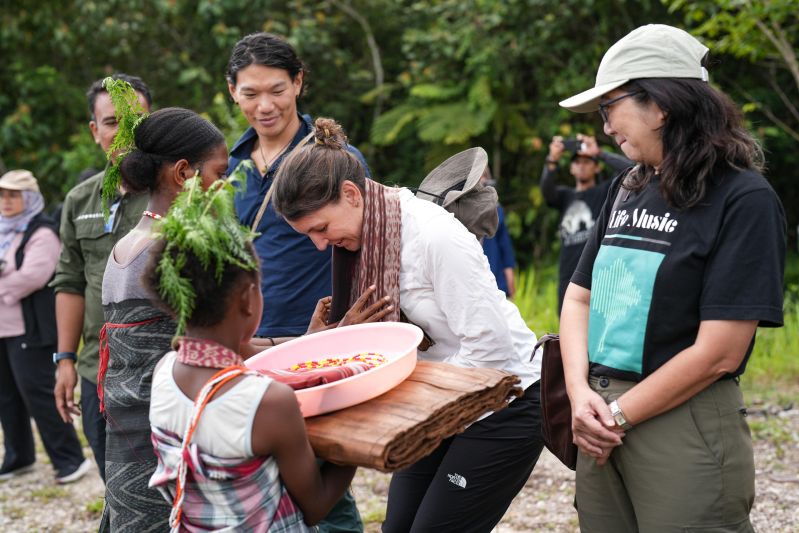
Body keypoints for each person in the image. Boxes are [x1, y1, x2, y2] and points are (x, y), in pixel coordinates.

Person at [558, 24, 785, 532]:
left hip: (681, 418)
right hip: (597, 411)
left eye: (608, 107)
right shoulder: (625, 186)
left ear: (659, 104)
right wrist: (579, 394)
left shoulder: (742, 199)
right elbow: (579, 298)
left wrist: (617, 415)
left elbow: (719, 352)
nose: (605, 128)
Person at [272, 118, 545, 532]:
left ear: (351, 194)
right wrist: (331, 339)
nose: (320, 245)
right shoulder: (363, 240)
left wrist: (412, 403)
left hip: (504, 399)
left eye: (322, 229)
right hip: (439, 400)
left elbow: (492, 346)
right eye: (308, 235)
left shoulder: (434, 237)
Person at [142, 173, 357, 532]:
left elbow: (236, 355)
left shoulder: (164, 372)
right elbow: (317, 505)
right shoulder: (267, 401)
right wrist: (352, 426)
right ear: (247, 299)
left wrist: (310, 341)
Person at [226, 32, 369, 531]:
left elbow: (365, 247)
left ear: (299, 84)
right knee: (264, 475)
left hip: (314, 344)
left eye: (277, 90)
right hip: (247, 348)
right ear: (232, 93)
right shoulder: (229, 167)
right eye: (250, 93)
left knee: (321, 481)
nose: (264, 106)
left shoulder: (333, 160)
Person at [98, 105, 229, 531]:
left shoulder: (123, 248)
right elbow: (224, 352)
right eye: (219, 174)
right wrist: (317, 338)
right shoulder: (179, 252)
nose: (225, 188)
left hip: (125, 447)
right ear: (183, 174)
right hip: (169, 449)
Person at [51, 73, 152, 482]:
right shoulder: (80, 200)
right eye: (111, 122)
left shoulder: (182, 189)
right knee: (116, 484)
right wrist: (65, 360)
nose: (124, 131)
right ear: (95, 131)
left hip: (161, 371)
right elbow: (70, 281)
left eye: (135, 120)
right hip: (99, 372)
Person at [0, 170, 91, 484]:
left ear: (29, 198)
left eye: (14, 195)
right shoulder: (3, 231)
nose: (7, 201)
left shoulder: (42, 232)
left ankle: (70, 459)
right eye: (3, 195)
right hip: (3, 327)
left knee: (37, 393)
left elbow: (32, 277)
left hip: (30, 329)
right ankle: (18, 457)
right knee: (6, 396)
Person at [541, 134, 632, 311]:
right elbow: (546, 191)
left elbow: (630, 169)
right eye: (577, 162)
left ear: (596, 167)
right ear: (571, 169)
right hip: (568, 273)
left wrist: (599, 152)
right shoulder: (565, 196)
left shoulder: (606, 192)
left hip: (598, 273)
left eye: (587, 162)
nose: (581, 166)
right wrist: (552, 159)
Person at [480, 167, 516, 298]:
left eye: (485, 176)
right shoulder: (459, 211)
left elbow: (505, 246)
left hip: (495, 279)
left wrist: (510, 276)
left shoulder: (497, 209)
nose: (482, 180)